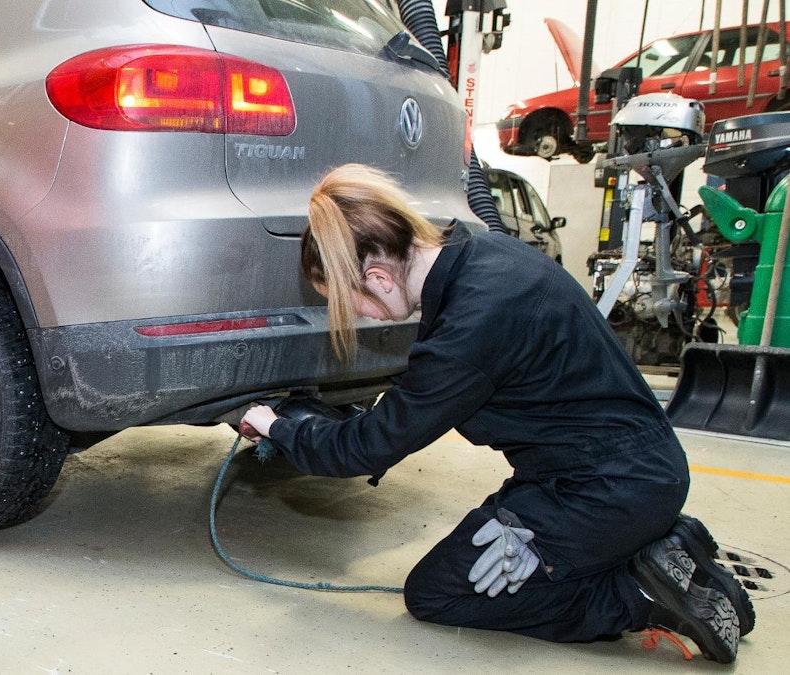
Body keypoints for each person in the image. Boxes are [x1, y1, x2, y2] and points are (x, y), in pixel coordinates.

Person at [238, 163, 755, 662]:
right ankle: (661, 547)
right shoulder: (488, 254)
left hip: (604, 491)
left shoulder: (468, 330)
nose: (361, 318)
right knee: (480, 569)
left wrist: (274, 425)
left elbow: (367, 448)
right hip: (621, 471)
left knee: (437, 595)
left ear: (378, 277)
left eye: (353, 304)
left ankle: (639, 595)